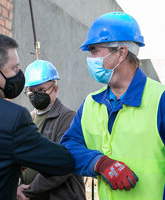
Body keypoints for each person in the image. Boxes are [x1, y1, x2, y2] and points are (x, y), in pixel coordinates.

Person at [60, 12, 165, 200]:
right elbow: (69, 146)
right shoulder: (91, 103)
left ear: (121, 53)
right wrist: (100, 162)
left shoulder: (160, 99)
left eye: (94, 50)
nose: (90, 58)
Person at [0, 30, 75, 200]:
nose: (18, 74)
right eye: (14, 68)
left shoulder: (67, 116)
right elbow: (64, 162)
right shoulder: (12, 118)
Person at [16, 59, 86, 200]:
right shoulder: (28, 118)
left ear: (55, 89)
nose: (36, 95)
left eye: (41, 90)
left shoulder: (68, 118)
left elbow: (62, 165)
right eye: (32, 91)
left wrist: (29, 192)